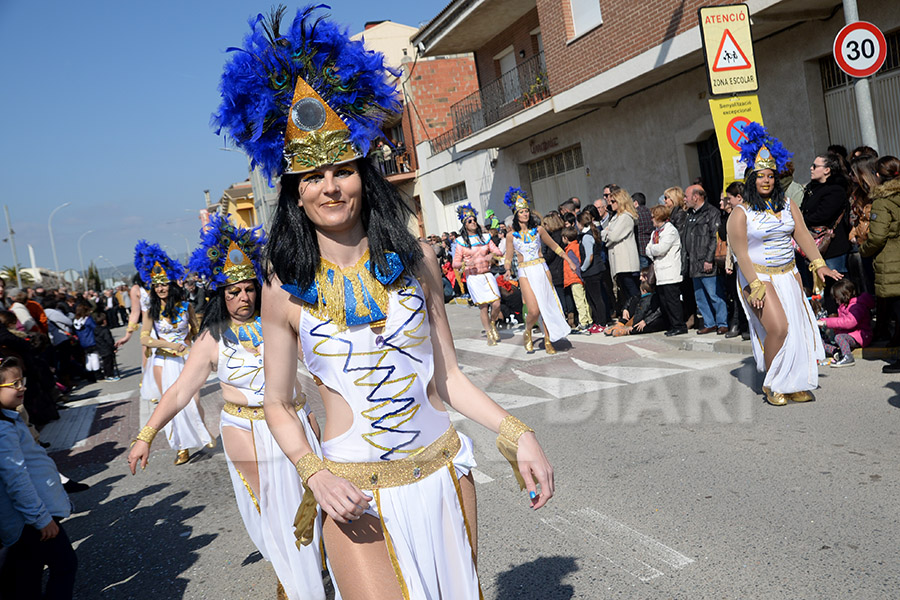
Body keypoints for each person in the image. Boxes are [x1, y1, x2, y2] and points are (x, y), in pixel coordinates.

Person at [214, 7, 554, 598]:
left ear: (361, 175)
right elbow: (277, 403)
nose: (330, 186)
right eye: (314, 176)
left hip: (443, 476)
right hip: (353, 494)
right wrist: (313, 472)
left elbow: (447, 378)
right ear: (296, 192)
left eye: (342, 169)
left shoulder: (417, 259)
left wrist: (516, 432)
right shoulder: (282, 288)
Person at [128, 216, 329, 600]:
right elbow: (179, 392)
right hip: (247, 432)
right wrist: (146, 435)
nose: (243, 297)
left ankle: (310, 569)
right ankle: (293, 579)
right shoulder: (211, 339)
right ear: (221, 294)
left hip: (295, 419)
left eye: (249, 289)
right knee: (271, 512)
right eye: (234, 291)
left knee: (314, 500)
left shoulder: (280, 322)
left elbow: (321, 366)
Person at [728, 123, 841, 405]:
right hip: (757, 277)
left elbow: (801, 233)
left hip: (789, 274)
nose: (766, 181)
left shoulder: (788, 204)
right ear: (751, 179)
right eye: (760, 176)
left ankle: (794, 383)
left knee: (797, 329)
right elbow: (741, 254)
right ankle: (773, 383)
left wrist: (819, 264)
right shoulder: (741, 213)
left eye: (770, 176)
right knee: (778, 328)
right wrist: (754, 284)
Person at [0, 356, 78, 599]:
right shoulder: (2, 428)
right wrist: (41, 518)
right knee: (62, 566)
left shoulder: (8, 418)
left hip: (29, 517)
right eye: (14, 384)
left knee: (28, 578)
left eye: (21, 381)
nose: (22, 387)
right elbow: (16, 478)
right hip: (30, 518)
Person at [135, 241, 213, 464]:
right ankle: (182, 447)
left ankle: (201, 431)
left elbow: (196, 333)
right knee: (171, 405)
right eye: (157, 285)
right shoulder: (151, 310)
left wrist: (194, 344)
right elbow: (144, 337)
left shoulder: (185, 305)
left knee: (194, 401)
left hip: (186, 359)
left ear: (171, 285)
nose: (161, 289)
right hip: (163, 361)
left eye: (164, 284)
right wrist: (167, 345)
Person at [504, 188, 575, 353]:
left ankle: (548, 339)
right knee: (534, 310)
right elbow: (508, 256)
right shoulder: (511, 236)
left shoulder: (539, 230)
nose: (525, 214)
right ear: (516, 215)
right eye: (521, 212)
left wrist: (569, 260)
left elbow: (555, 246)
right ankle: (528, 331)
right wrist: (507, 269)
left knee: (547, 305)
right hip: (524, 272)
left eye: (526, 211)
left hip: (542, 269)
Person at [860, 155, 900, 373]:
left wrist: (864, 250)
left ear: (878, 175)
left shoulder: (883, 201)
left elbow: (876, 237)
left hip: (893, 262)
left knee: (898, 311)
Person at [452, 204, 504, 345]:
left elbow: (499, 252)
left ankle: (493, 323)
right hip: (473, 277)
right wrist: (466, 264)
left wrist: (491, 255)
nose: (473, 222)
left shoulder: (486, 237)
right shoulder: (461, 242)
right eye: (469, 221)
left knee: (497, 303)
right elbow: (455, 263)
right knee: (483, 307)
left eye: (474, 220)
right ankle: (488, 333)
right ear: (464, 224)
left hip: (487, 274)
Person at [685, 186, 728, 334]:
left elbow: (713, 238)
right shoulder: (690, 214)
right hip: (693, 262)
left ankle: (723, 322)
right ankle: (709, 322)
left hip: (706, 261)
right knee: (700, 297)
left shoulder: (711, 212)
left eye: (687, 196)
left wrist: (709, 259)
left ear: (696, 197)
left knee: (714, 294)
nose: (685, 199)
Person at [646, 205, 686, 336]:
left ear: (659, 217)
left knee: (672, 301)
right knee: (664, 302)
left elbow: (661, 248)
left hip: (670, 272)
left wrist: (653, 249)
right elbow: (648, 250)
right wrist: (653, 250)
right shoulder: (655, 232)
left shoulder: (670, 230)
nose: (651, 219)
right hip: (660, 272)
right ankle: (671, 325)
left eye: (653, 217)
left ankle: (679, 325)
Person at [818, 279, 874, 368]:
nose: (836, 301)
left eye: (837, 298)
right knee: (821, 340)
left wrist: (826, 322)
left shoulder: (857, 306)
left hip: (860, 336)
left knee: (839, 337)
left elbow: (849, 322)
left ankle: (848, 357)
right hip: (848, 335)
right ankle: (836, 352)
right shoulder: (843, 306)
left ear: (844, 296)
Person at [601, 187, 641, 314]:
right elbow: (603, 234)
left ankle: (638, 313)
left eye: (613, 201)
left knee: (632, 290)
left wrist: (608, 234)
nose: (610, 204)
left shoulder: (625, 217)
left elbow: (612, 236)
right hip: (618, 261)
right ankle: (631, 314)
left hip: (626, 261)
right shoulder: (615, 218)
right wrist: (608, 234)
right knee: (625, 291)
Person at [576, 210, 608, 331]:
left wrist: (582, 269)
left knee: (596, 298)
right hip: (596, 269)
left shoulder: (587, 237)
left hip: (592, 271)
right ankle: (598, 322)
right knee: (593, 298)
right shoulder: (592, 233)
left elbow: (589, 256)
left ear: (580, 223)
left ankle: (601, 323)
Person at [632, 192, 653, 270]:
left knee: (644, 273)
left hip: (641, 247)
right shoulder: (650, 212)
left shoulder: (635, 215)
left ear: (636, 203)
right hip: (651, 246)